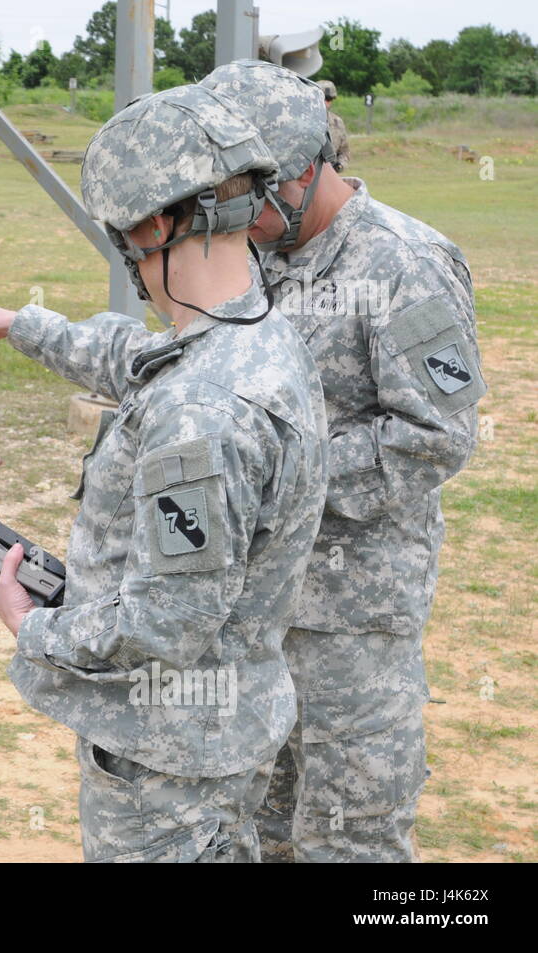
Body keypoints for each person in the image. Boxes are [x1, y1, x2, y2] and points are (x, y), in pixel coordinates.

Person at [0, 84, 327, 863]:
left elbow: (163, 624)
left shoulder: (201, 412)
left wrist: (32, 623)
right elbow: (139, 358)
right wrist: (17, 323)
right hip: (222, 734)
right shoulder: (257, 335)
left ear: (149, 225)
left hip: (165, 765)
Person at [202, 60, 484, 862]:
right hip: (258, 607)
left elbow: (435, 436)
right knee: (259, 826)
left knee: (352, 841)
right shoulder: (257, 255)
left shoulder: (406, 263)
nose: (231, 220)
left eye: (242, 199)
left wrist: (283, 481)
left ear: (296, 174)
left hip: (354, 622)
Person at [316, 79, 351, 171]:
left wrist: (340, 165)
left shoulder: (337, 122)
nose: (326, 103)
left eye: (329, 99)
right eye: (323, 98)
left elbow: (344, 152)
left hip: (330, 175)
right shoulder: (304, 121)